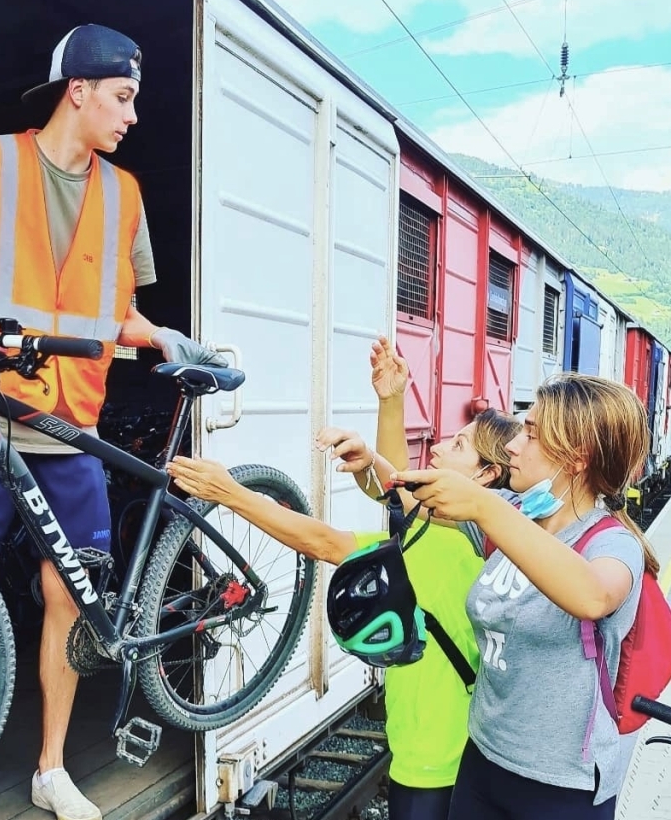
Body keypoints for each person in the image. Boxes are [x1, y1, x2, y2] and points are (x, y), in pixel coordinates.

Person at [0, 23, 223, 820]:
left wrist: (157, 333)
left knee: (68, 598)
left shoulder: (125, 194)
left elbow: (112, 310)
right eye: (121, 98)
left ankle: (52, 770)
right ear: (77, 92)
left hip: (70, 427)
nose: (131, 116)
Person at [168, 338, 520, 820]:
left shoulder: (448, 546)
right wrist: (390, 404)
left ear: (486, 476)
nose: (438, 446)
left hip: (433, 760)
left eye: (458, 446)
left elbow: (325, 543)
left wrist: (231, 494)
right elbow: (398, 498)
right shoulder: (468, 532)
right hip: (446, 744)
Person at [390, 372, 658, 820]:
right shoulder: (515, 516)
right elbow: (407, 498)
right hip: (483, 762)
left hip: (561, 789)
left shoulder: (612, 545)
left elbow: (592, 596)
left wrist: (485, 505)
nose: (514, 444)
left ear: (576, 458)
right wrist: (387, 412)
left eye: (530, 434)